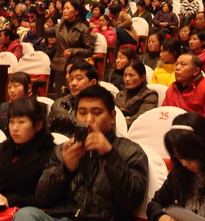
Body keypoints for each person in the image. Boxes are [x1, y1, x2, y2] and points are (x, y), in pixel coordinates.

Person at [14, 85, 148, 221]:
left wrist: (109, 155)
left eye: (97, 113)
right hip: (63, 217)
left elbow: (132, 201)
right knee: (26, 214)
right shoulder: (63, 150)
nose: (88, 120)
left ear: (112, 117)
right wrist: (66, 170)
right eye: (82, 113)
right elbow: (42, 198)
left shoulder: (131, 151)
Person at [0, 98, 55, 209]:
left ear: (38, 125)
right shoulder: (3, 148)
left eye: (21, 122)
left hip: (26, 212)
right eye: (11, 122)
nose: (14, 128)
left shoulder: (50, 153)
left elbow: (47, 199)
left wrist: (9, 200)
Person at [39, 0, 95, 95]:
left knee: (75, 94)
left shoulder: (83, 29)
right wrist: (40, 16)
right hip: (60, 65)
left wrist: (73, 51)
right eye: (64, 8)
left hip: (75, 66)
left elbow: (90, 50)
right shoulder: (59, 27)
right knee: (60, 96)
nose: (64, 11)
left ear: (76, 11)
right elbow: (41, 33)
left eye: (68, 8)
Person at [162, 53, 205, 131]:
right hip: (173, 133)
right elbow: (163, 114)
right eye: (176, 64)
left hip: (200, 135)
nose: (177, 68)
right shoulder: (172, 89)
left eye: (183, 64)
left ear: (196, 71)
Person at [48, 60, 97, 136]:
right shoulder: (58, 104)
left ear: (93, 83)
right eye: (71, 79)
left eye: (79, 79)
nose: (73, 83)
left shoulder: (100, 107)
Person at [115, 60, 157, 128]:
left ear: (142, 78)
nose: (127, 79)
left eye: (131, 75)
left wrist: (119, 124)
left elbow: (142, 118)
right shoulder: (120, 94)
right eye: (125, 75)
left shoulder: (150, 95)